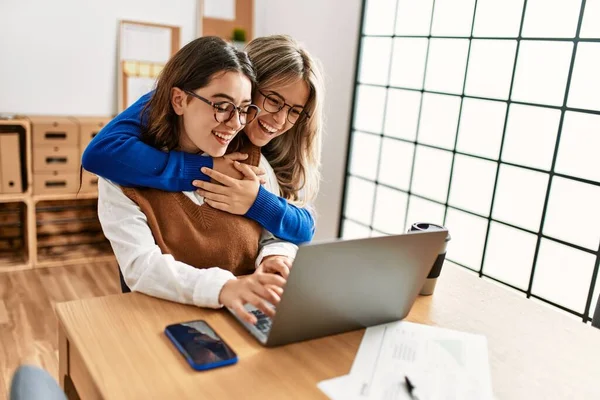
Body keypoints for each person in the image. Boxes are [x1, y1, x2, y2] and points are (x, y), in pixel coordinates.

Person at [98, 36, 293, 325]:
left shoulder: (251, 160)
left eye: (243, 109)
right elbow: (141, 267)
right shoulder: (123, 174)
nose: (235, 123)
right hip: (163, 326)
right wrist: (223, 288)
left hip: (247, 318)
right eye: (222, 105)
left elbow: (275, 234)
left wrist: (274, 259)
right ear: (180, 100)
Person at [82, 35, 324, 245]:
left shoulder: (282, 143)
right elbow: (100, 152)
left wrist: (257, 202)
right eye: (273, 100)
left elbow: (305, 224)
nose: (281, 120)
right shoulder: (180, 99)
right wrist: (207, 170)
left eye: (295, 111)